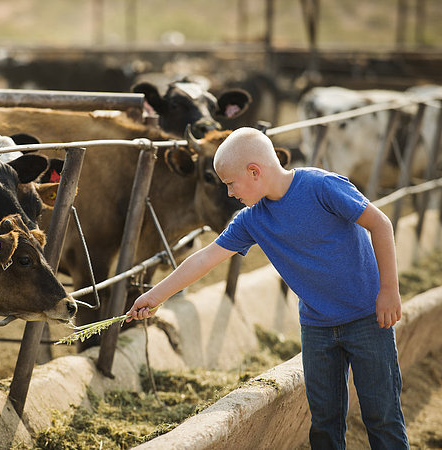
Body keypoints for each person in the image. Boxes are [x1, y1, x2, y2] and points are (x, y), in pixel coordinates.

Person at [126, 127, 409, 449]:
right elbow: (205, 258)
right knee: (324, 422)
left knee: (382, 415)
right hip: (317, 326)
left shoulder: (321, 186)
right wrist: (155, 295)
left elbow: (380, 224)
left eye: (231, 184)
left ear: (254, 171)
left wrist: (389, 291)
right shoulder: (251, 220)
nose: (230, 193)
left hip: (368, 318)